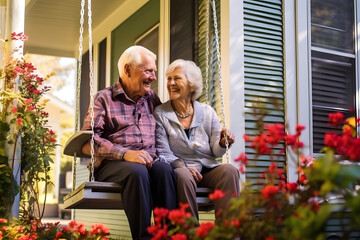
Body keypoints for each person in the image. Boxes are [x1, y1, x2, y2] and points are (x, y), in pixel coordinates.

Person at [81, 46, 177, 240]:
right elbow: (88, 141)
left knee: (165, 171)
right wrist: (125, 154)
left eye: (154, 72)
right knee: (136, 171)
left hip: (149, 161)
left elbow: (167, 130)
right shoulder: (104, 98)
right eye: (148, 71)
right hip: (113, 165)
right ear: (127, 70)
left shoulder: (151, 99)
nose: (154, 77)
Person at [154, 59, 240, 219]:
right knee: (183, 175)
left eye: (177, 78)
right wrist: (182, 166)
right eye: (168, 78)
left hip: (207, 168)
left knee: (230, 171)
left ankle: (228, 233)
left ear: (191, 84)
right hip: (180, 169)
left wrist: (222, 142)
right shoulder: (161, 113)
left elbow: (216, 151)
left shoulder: (207, 111)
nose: (171, 83)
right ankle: (191, 232)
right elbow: (162, 150)